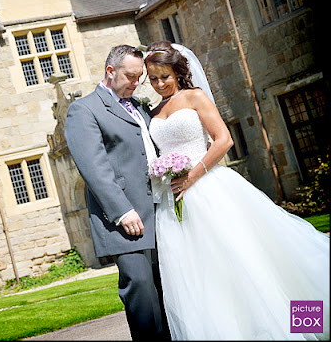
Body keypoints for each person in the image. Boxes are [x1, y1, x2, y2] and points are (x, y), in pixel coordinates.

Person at [145, 41, 330, 340]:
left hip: (209, 190)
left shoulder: (195, 97)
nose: (159, 83)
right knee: (201, 276)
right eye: (152, 78)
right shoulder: (152, 111)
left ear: (177, 72)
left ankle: (305, 325)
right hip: (173, 205)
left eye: (164, 76)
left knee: (253, 262)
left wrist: (192, 176)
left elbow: (223, 140)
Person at [64, 44, 171, 340]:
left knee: (167, 290)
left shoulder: (139, 107)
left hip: (159, 210)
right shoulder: (83, 110)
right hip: (125, 220)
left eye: (140, 78)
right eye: (130, 76)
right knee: (142, 293)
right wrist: (122, 211)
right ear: (110, 71)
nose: (135, 83)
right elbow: (93, 167)